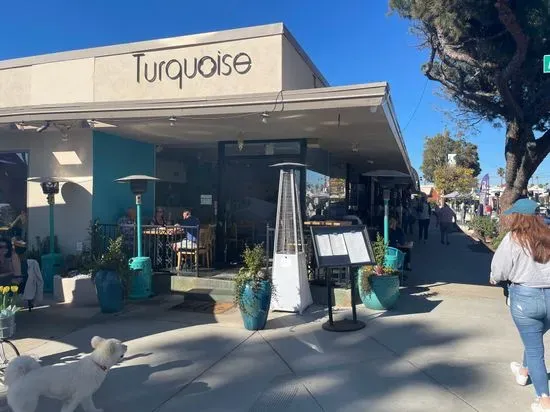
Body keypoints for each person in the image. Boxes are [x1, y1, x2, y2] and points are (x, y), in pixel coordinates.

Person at [490, 198, 550, 412]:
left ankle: (544, 400)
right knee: (533, 341)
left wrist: (494, 278)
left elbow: (500, 269)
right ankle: (524, 372)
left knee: (534, 349)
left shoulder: (514, 238)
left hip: (525, 298)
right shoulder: (548, 236)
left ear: (518, 216)